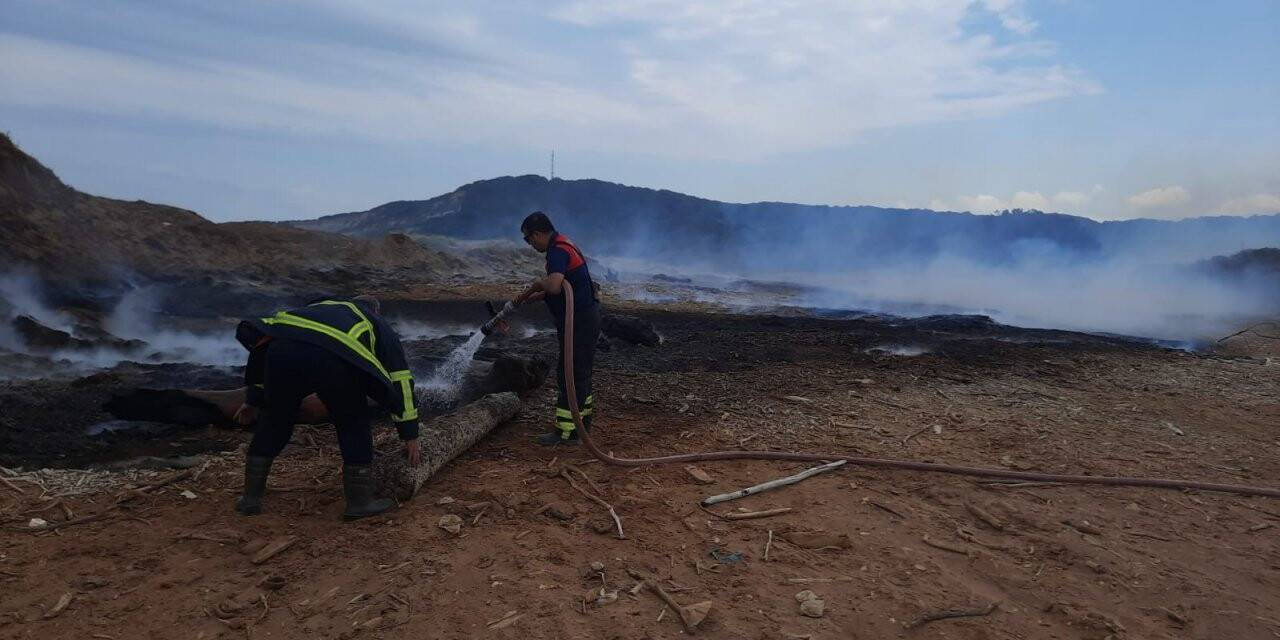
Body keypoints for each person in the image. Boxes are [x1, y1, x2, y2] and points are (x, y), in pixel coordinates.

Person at [231, 295, 420, 520]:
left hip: (280, 351)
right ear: (375, 310)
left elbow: (262, 351)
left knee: (275, 419)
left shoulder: (308, 312)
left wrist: (253, 400)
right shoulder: (374, 321)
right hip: (333, 357)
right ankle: (359, 502)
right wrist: (410, 432)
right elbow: (400, 377)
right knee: (352, 422)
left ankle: (250, 498)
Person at [513, 211, 601, 445]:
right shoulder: (564, 244)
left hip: (579, 322)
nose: (529, 244)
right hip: (583, 319)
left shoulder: (557, 251)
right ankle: (582, 426)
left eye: (528, 239)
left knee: (570, 374)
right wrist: (538, 297)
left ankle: (568, 433)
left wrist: (539, 285)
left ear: (539, 233)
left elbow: (554, 286)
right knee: (579, 374)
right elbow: (563, 287)